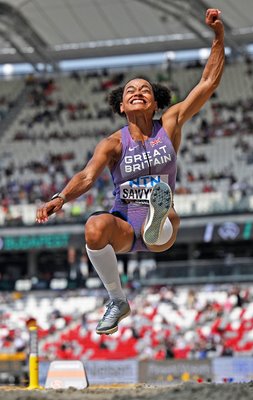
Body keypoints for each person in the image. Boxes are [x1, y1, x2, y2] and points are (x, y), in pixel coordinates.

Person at [36, 9, 225, 335]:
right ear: (121, 106)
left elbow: (207, 83)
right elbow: (86, 176)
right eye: (130, 91)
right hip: (125, 225)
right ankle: (117, 299)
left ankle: (157, 216)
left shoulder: (170, 124)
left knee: (166, 214)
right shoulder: (112, 144)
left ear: (155, 104)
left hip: (161, 232)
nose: (137, 91)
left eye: (145, 90)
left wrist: (219, 36)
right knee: (94, 227)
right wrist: (61, 197)